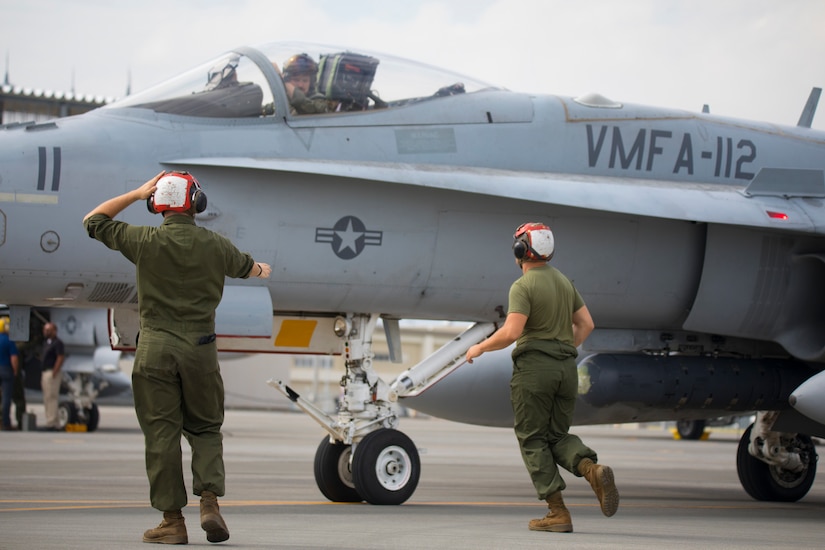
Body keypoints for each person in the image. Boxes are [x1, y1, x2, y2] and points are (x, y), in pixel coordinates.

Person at [82, 170, 272, 545]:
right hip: (201, 351)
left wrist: (137, 193)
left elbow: (94, 221)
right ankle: (209, 503)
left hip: (155, 351)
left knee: (161, 435)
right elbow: (249, 268)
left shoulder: (143, 240)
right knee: (204, 428)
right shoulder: (215, 245)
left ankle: (172, 522)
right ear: (197, 204)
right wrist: (261, 269)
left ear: (158, 205)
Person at [465, 222, 618, 533]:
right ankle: (591, 469)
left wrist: (479, 347)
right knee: (557, 436)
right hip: (566, 370)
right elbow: (586, 324)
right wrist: (562, 349)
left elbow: (511, 333)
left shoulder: (522, 286)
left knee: (533, 439)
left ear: (521, 250)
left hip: (535, 372)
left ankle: (557, 511)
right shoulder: (564, 281)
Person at [40, 321, 65, 431]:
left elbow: (60, 357)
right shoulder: (46, 342)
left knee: (52, 397)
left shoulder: (57, 343)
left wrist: (55, 371)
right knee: (47, 398)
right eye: (45, 330)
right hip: (45, 372)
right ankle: (51, 420)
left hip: (52, 373)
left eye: (48, 330)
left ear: (54, 331)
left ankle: (52, 423)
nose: (46, 332)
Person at [0, 317, 20, 431]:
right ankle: (6, 423)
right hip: (6, 370)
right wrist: (15, 370)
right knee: (6, 398)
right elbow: (14, 358)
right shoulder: (9, 340)